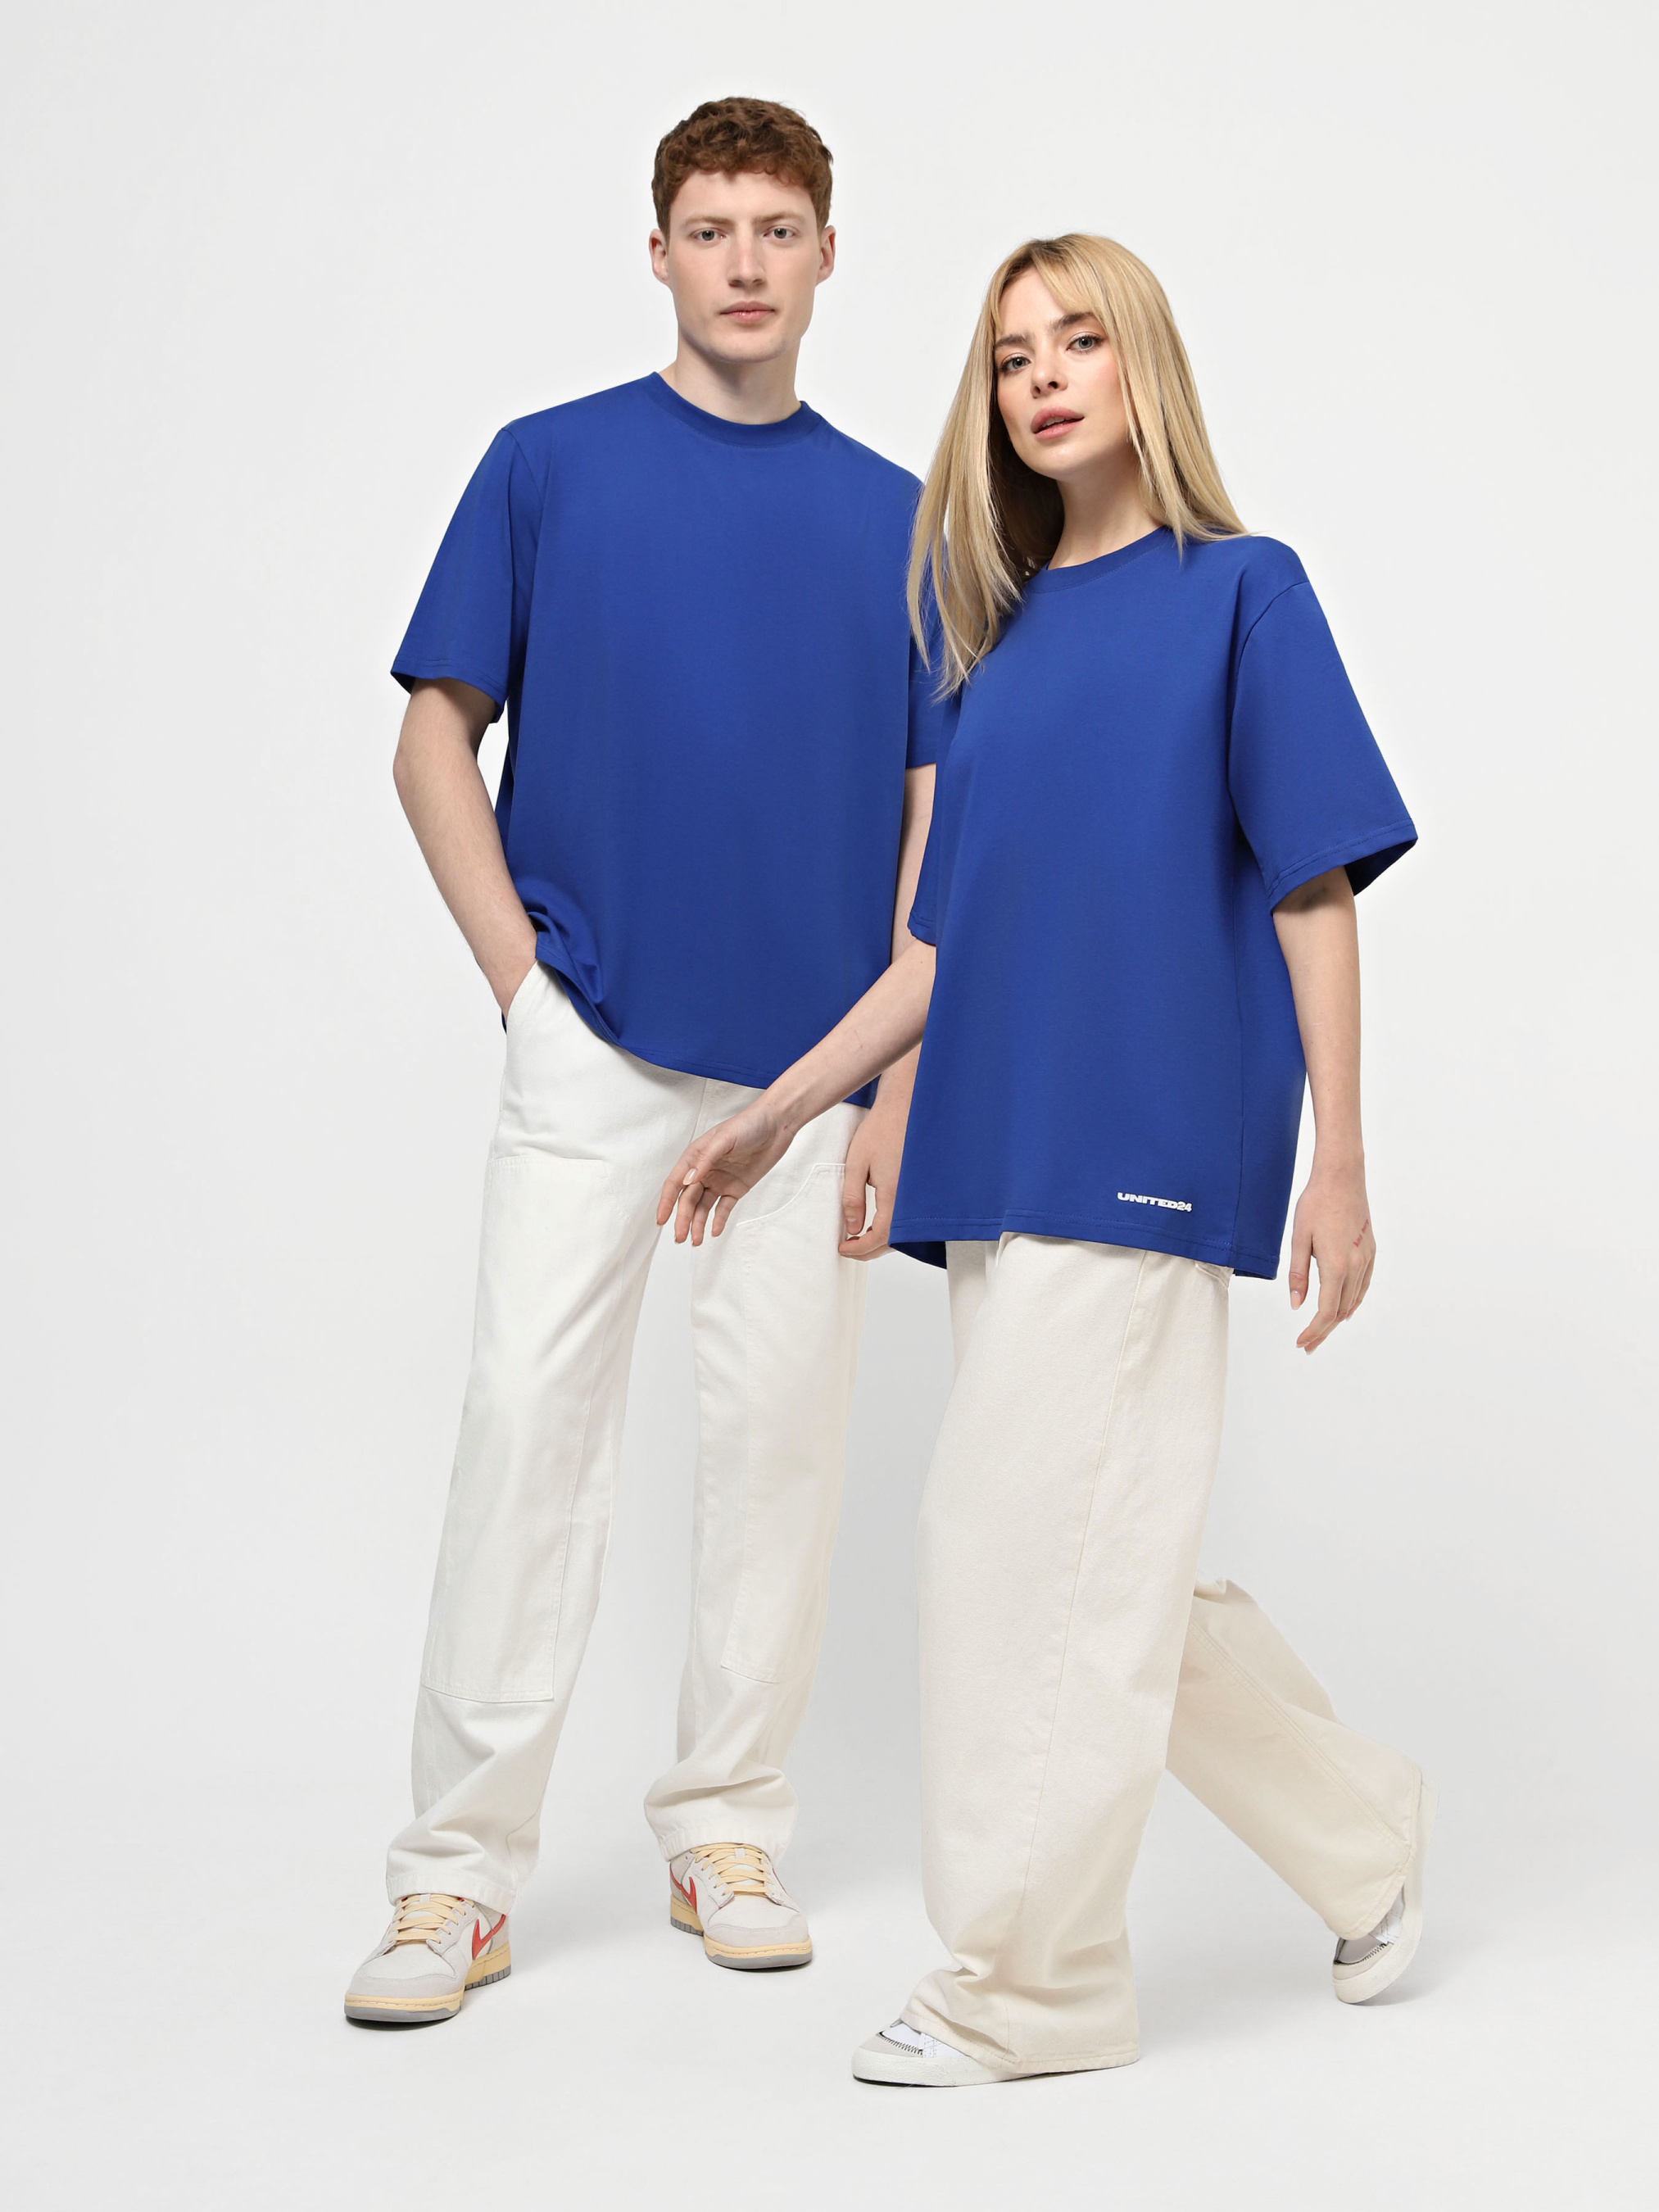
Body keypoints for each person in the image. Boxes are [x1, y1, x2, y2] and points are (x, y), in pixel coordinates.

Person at [658, 233, 1433, 2086]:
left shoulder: (1244, 592)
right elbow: (940, 947)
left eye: (1077, 341)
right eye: (1012, 356)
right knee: (1094, 1558)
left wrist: (1338, 1160)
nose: (1043, 379)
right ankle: (1363, 1840)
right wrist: (784, 1106)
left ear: (1139, 363)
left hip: (1146, 1147)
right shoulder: (988, 646)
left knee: (1015, 1557)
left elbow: (1313, 886)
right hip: (998, 1161)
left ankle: (1035, 1987)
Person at [343, 97, 947, 2027]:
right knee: (525, 1428)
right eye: (709, 228)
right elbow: (431, 738)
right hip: (591, 1041)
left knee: (777, 1451)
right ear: (659, 251)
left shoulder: (902, 522)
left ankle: (725, 1829)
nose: (744, 262)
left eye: (777, 228)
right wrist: (523, 990)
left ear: (827, 255)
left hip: (808, 1073)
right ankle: (454, 1881)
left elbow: (932, 814)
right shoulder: (548, 467)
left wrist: (884, 1087)